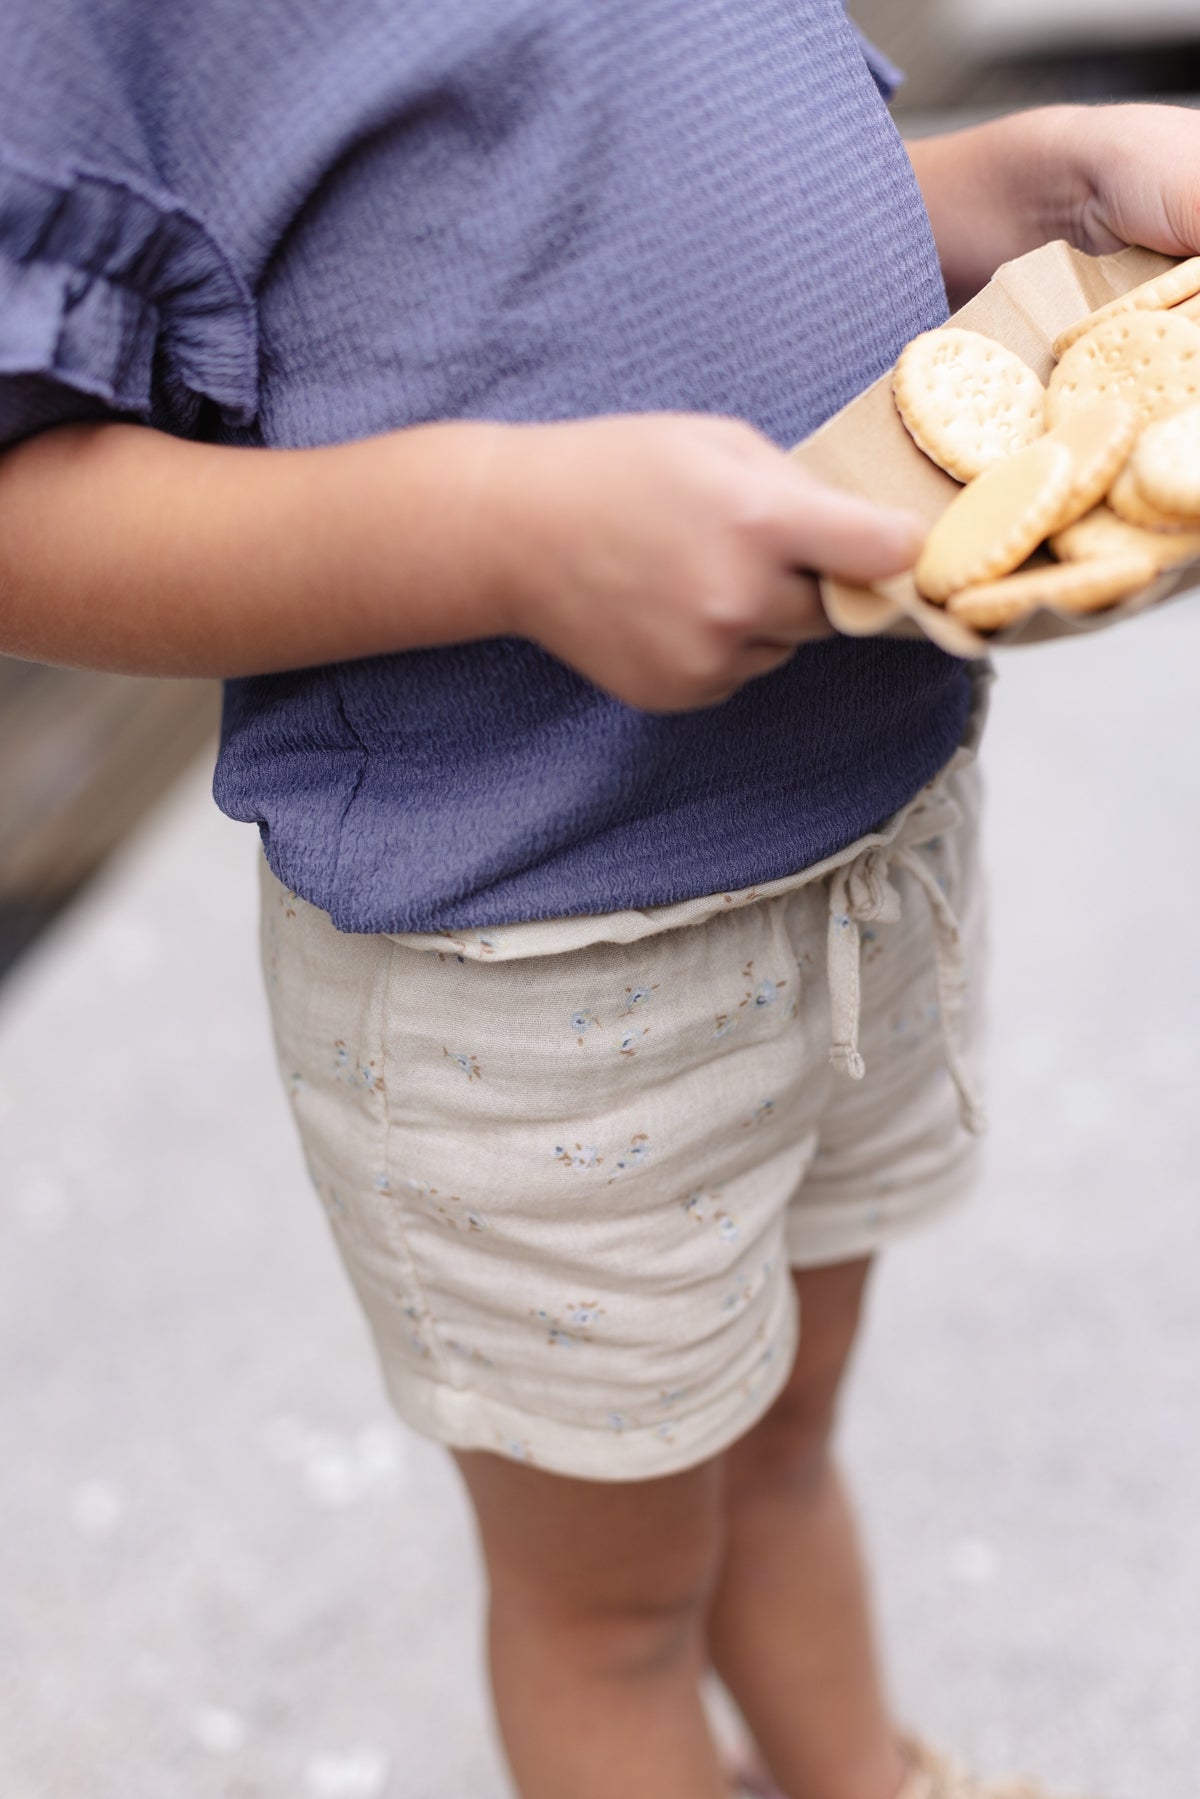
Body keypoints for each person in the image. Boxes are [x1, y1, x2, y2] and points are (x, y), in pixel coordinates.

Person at [1, 3, 1197, 1794]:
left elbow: (647, 208)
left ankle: (858, 1771)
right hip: (530, 973)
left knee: (784, 1440)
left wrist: (1017, 190)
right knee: (611, 1609)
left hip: (863, 846)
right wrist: (505, 529)